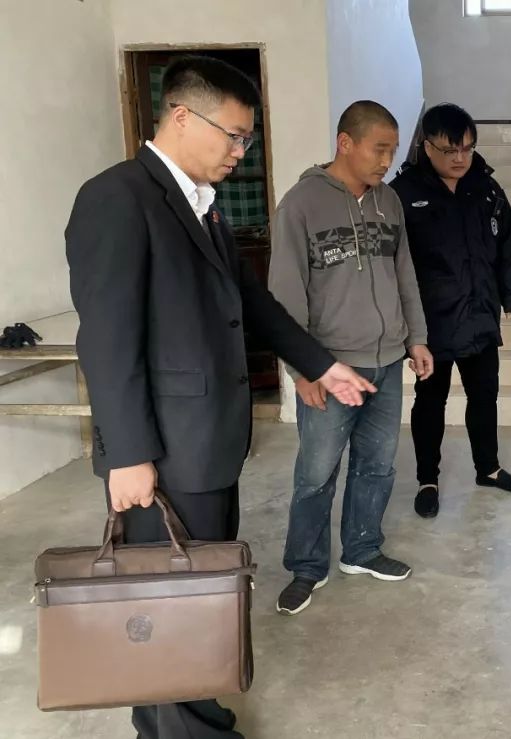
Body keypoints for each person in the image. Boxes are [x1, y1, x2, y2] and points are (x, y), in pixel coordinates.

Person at [64, 56, 372, 739]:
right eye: (233, 135)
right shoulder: (117, 198)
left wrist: (321, 366)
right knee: (168, 602)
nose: (240, 151)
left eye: (247, 139)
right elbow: (106, 341)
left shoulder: (204, 207)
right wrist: (128, 455)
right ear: (181, 116)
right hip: (162, 450)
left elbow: (253, 305)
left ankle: (186, 714)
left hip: (208, 443)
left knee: (198, 592)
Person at [269, 101, 434, 616]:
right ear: (345, 142)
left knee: (378, 466)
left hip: (386, 361)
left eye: (393, 149)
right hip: (330, 367)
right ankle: (306, 566)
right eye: (379, 149)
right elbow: (285, 295)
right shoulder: (300, 205)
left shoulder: (389, 201)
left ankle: (361, 550)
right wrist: (302, 370)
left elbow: (404, 275)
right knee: (316, 473)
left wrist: (416, 338)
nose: (387, 160)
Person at [390, 103, 511, 520]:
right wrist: (404, 326)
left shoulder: (486, 188)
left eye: (467, 148)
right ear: (426, 146)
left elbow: (507, 241)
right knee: (430, 402)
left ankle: (488, 468)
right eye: (450, 149)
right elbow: (392, 263)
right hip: (431, 323)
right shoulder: (403, 194)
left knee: (484, 395)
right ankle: (427, 480)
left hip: (480, 314)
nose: (460, 158)